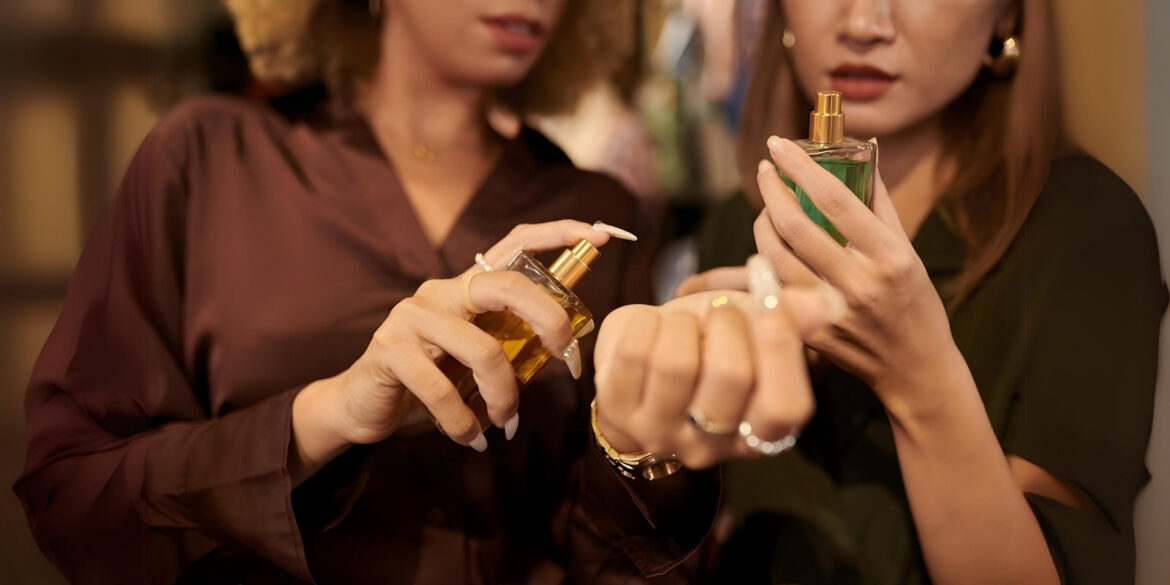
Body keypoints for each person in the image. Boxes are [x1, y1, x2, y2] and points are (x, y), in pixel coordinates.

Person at [12, 1, 837, 583]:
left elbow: (620, 562)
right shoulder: (207, 163)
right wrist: (328, 415)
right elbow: (73, 498)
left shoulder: (593, 215)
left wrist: (640, 449)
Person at [612, 0, 1166, 583]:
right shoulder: (740, 223)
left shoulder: (1088, 227)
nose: (863, 24)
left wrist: (917, 374)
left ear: (1006, 15)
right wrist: (640, 430)